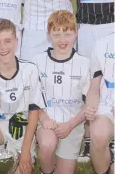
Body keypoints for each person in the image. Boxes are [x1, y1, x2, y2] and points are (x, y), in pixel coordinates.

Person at [0, 18, 46, 174]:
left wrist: (26, 151)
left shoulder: (30, 70)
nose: (3, 47)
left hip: (23, 138)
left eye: (8, 41)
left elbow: (34, 113)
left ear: (16, 41)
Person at [70, 0, 115, 162]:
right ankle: (88, 141)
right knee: (89, 87)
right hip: (86, 30)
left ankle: (112, 139)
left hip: (112, 30)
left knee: (111, 84)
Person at [32, 10, 89, 174]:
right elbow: (32, 99)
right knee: (48, 144)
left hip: (72, 124)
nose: (62, 40)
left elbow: (89, 104)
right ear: (48, 35)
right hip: (46, 122)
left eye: (67, 34)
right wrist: (44, 118)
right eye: (56, 34)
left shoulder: (84, 64)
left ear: (75, 33)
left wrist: (70, 125)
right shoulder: (38, 61)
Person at [85, 33, 114, 174]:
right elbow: (94, 86)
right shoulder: (102, 44)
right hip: (107, 106)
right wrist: (90, 105)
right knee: (98, 134)